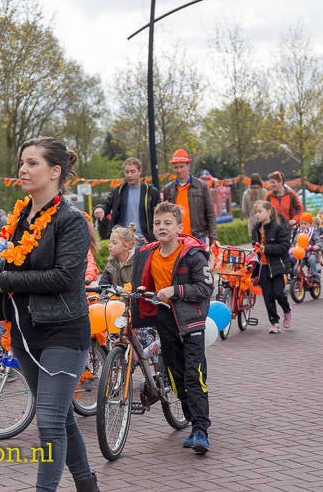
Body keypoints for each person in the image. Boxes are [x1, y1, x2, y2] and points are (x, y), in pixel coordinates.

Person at [0, 137, 97, 492]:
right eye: (22, 163)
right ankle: (88, 485)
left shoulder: (71, 220)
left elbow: (64, 276)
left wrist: (5, 280)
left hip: (64, 332)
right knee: (62, 419)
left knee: (50, 422)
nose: (22, 169)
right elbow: (10, 262)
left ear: (55, 172)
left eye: (32, 163)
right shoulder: (25, 214)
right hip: (26, 334)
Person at [130, 202, 213, 453]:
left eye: (168, 223)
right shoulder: (147, 253)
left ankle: (201, 429)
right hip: (164, 319)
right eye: (157, 223)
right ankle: (190, 418)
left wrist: (175, 290)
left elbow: (205, 288)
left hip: (191, 321)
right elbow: (137, 281)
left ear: (179, 227)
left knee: (193, 375)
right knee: (176, 377)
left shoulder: (193, 254)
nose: (162, 227)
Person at [93, 157, 160, 242]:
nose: (129, 175)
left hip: (144, 240)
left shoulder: (151, 192)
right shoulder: (118, 191)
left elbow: (159, 216)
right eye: (127, 172)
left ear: (139, 171)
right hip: (123, 240)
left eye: (132, 171)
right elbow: (106, 205)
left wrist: (150, 237)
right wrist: (100, 208)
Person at [162, 149, 217, 247]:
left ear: (188, 166)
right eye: (176, 167)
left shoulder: (202, 186)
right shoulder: (168, 189)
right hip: (175, 238)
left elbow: (210, 214)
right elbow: (165, 215)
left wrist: (213, 238)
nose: (179, 170)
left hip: (197, 238)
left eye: (181, 167)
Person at [252, 200, 293, 332]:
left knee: (279, 293)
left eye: (260, 212)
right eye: (255, 213)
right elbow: (255, 248)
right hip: (263, 267)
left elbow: (285, 246)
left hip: (277, 266)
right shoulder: (255, 229)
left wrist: (266, 249)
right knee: (267, 296)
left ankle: (287, 310)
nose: (257, 215)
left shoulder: (278, 228)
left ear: (268, 212)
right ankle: (274, 322)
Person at [296, 212, 323, 284]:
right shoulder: (299, 231)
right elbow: (295, 241)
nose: (303, 225)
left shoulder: (313, 231)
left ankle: (315, 275)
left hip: (311, 252)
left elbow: (318, 240)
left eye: (305, 224)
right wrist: (293, 246)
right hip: (301, 253)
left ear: (310, 224)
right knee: (297, 266)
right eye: (301, 223)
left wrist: (317, 245)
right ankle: (298, 277)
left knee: (311, 259)